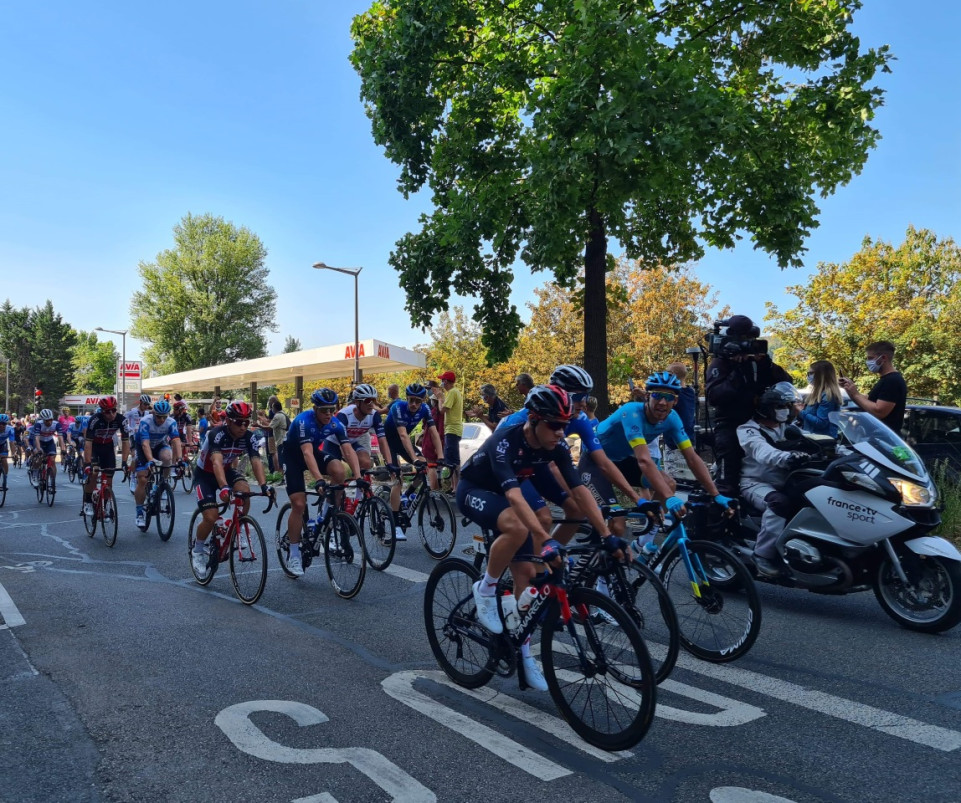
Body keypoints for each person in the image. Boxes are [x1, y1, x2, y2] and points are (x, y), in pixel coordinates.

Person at [458, 385, 625, 691]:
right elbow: (512, 495)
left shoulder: (555, 447)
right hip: (475, 490)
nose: (562, 432)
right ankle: (486, 587)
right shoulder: (505, 441)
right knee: (520, 525)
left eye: (565, 425)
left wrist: (605, 534)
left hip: (513, 490)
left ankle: (523, 653)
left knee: (527, 582)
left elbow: (579, 491)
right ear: (533, 419)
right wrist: (544, 539)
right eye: (555, 425)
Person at [589, 372, 734, 525]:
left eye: (669, 397)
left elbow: (692, 458)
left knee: (669, 484)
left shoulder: (672, 418)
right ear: (647, 397)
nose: (663, 402)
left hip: (621, 461)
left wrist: (716, 494)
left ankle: (645, 545)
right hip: (595, 461)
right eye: (657, 395)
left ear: (675, 401)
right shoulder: (631, 412)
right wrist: (670, 498)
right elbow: (644, 460)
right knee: (617, 524)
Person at [706, 315, 792, 496]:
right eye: (743, 340)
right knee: (727, 482)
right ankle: (722, 516)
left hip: (760, 423)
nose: (748, 344)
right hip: (730, 424)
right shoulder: (720, 363)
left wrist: (766, 364)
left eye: (751, 340)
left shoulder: (758, 362)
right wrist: (736, 371)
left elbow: (786, 382)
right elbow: (715, 396)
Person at [282, 388, 361, 576]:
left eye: (331, 410)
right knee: (299, 504)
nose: (328, 414)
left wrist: (359, 477)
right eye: (324, 410)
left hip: (310, 453)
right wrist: (318, 480)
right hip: (293, 456)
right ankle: (293, 555)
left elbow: (348, 450)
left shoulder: (335, 423)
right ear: (315, 408)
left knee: (339, 471)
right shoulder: (304, 421)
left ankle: (325, 514)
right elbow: (307, 453)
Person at [189, 400, 273, 578]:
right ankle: (197, 550)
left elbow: (256, 461)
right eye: (239, 422)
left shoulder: (249, 437)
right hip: (205, 475)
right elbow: (216, 462)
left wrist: (264, 485)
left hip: (227, 471)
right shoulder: (216, 434)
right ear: (228, 421)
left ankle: (238, 527)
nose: (243, 426)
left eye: (246, 422)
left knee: (244, 490)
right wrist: (224, 488)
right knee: (210, 516)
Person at [737, 383, 812, 577]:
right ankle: (762, 555)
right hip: (754, 483)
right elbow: (763, 451)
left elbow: (812, 440)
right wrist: (787, 458)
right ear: (766, 409)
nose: (785, 411)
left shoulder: (787, 428)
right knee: (779, 503)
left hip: (784, 481)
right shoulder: (748, 430)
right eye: (780, 407)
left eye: (787, 406)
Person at [384, 383, 445, 540]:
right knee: (398, 479)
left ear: (423, 401)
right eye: (411, 400)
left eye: (418, 401)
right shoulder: (398, 407)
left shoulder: (424, 409)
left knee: (425, 467)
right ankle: (396, 524)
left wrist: (441, 456)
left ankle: (408, 494)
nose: (414, 404)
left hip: (402, 442)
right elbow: (403, 436)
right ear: (406, 398)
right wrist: (414, 459)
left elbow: (434, 433)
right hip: (389, 442)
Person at [324, 384, 394, 477]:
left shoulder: (374, 415)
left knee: (366, 463)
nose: (371, 404)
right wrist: (357, 474)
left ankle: (359, 490)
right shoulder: (344, 415)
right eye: (367, 400)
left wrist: (389, 464)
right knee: (338, 473)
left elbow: (382, 441)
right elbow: (344, 448)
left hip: (352, 442)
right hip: (334, 443)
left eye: (374, 400)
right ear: (357, 402)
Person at [839, 341, 907, 433]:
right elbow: (869, 400)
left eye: (870, 358)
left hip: (884, 439)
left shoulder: (892, 381)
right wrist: (850, 390)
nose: (868, 362)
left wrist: (855, 395)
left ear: (883, 358)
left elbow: (879, 411)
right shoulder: (886, 379)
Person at [133, 400, 183, 527]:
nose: (161, 419)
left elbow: (176, 441)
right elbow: (145, 444)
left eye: (164, 417)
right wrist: (151, 460)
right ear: (153, 413)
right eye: (159, 416)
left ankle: (163, 484)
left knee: (167, 456)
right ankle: (139, 512)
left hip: (159, 444)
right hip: (143, 446)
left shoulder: (171, 422)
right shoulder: (146, 421)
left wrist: (180, 459)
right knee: (143, 479)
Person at [81, 397, 130, 517]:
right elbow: (88, 443)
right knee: (93, 473)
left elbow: (125, 441)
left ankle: (106, 505)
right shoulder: (95, 420)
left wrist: (124, 462)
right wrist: (87, 464)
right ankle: (87, 501)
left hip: (108, 447)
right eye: (108, 411)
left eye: (114, 410)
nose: (112, 414)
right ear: (102, 411)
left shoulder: (121, 420)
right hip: (95, 448)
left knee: (109, 480)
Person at [800, 360, 842, 438]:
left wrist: (800, 411)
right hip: (813, 440)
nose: (808, 376)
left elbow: (821, 423)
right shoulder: (817, 393)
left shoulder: (828, 395)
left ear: (821, 375)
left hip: (823, 443)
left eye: (811, 373)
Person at [439, 371, 463, 492]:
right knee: (451, 460)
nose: (441, 383)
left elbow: (442, 410)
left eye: (442, 380)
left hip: (452, 429)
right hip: (454, 429)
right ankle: (454, 487)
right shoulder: (455, 392)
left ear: (446, 381)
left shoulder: (452, 392)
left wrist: (439, 398)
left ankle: (457, 487)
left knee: (453, 460)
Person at [420, 380, 445, 490]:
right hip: (430, 441)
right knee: (432, 466)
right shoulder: (432, 409)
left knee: (431, 466)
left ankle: (434, 490)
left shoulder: (437, 411)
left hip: (432, 442)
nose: (428, 391)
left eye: (429, 389)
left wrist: (438, 444)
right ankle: (435, 488)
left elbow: (440, 428)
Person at [268, 399, 289, 478]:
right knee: (283, 459)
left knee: (281, 460)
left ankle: (283, 478)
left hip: (280, 440)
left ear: (275, 408)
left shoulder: (277, 416)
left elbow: (269, 427)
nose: (271, 409)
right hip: (284, 438)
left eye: (272, 408)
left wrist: (259, 425)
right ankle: (284, 477)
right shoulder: (283, 414)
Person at [0, 414, 14, 487]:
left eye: (4, 424)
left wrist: (14, 454)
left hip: (3, 444)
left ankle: (5, 478)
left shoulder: (10, 429)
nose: (1, 425)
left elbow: (12, 442)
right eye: (0, 423)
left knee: (4, 459)